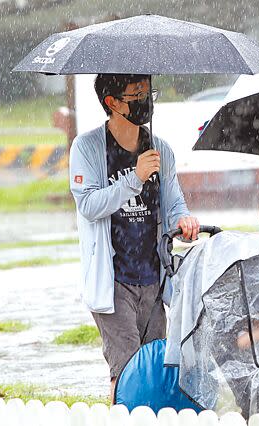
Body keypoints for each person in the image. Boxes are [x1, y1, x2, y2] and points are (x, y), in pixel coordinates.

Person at [69, 74, 199, 401]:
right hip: (113, 281)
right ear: (112, 102)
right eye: (136, 95)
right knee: (125, 372)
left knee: (154, 371)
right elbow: (88, 205)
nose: (145, 101)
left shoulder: (160, 150)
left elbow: (174, 202)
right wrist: (134, 178)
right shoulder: (87, 148)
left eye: (147, 92)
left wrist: (183, 219)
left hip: (152, 280)